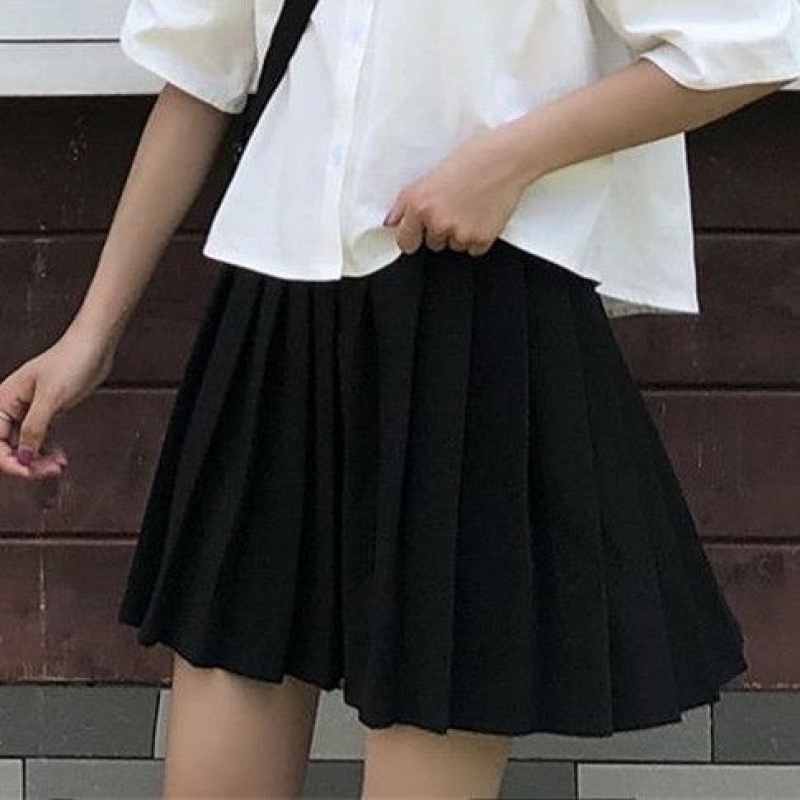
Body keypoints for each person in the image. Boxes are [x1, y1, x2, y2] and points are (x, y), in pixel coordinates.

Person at [1, 0, 799, 797]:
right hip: (275, 314)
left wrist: (508, 161)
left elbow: (746, 48)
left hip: (475, 325)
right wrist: (90, 335)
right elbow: (200, 75)